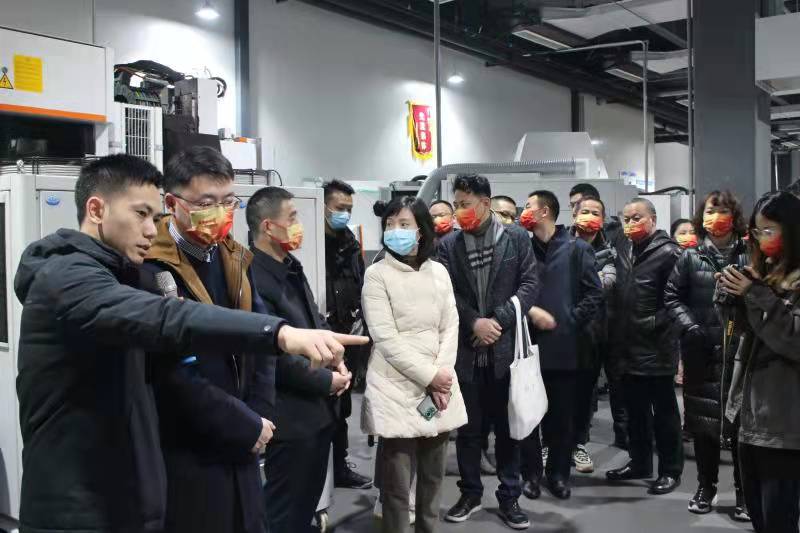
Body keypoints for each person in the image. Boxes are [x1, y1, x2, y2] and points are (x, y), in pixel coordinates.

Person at [13, 155, 365, 533]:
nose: (151, 230)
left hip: (126, 488)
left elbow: (245, 354)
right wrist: (280, 335)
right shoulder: (70, 278)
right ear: (97, 209)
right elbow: (170, 328)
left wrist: (256, 417)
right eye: (141, 214)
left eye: (154, 218)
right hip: (84, 502)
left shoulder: (216, 259)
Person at [138, 147, 274, 533]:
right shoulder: (151, 271)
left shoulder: (234, 258)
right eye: (206, 203)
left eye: (228, 201)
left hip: (245, 442)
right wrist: (241, 424)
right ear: (171, 204)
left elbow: (261, 336)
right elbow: (172, 374)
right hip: (190, 450)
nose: (220, 212)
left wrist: (259, 416)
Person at [246, 187, 351, 533]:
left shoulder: (290, 266)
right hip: (289, 417)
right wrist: (327, 380)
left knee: (304, 503)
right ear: (268, 226)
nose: (298, 225)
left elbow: (315, 322)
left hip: (317, 414)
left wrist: (337, 359)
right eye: (291, 218)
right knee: (284, 511)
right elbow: (273, 355)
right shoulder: (254, 277)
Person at [361, 196, 468, 533]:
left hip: (438, 388)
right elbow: (385, 338)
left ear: (421, 231)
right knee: (396, 485)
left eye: (404, 224)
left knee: (434, 478)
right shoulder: (377, 274)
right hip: (394, 386)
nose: (395, 230)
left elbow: (450, 325)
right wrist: (431, 376)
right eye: (390, 224)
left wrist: (442, 374)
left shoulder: (439, 272)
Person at [438, 174, 539, 530]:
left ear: (485, 202)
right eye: (456, 204)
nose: (458, 211)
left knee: (508, 428)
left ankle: (510, 496)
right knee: (468, 430)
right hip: (467, 350)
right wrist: (474, 323)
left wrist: (497, 321)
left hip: (504, 349)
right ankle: (470, 493)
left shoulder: (516, 238)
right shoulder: (449, 244)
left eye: (464, 204)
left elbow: (530, 284)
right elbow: (447, 292)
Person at [664, 191, 750, 519]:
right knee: (703, 426)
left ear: (734, 216)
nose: (716, 217)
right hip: (702, 351)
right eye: (711, 210)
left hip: (741, 353)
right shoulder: (690, 257)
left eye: (723, 210)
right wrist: (690, 327)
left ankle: (744, 492)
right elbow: (671, 296)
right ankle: (705, 487)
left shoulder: (749, 254)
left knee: (742, 426)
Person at [721, 191, 800, 533]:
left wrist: (755, 295)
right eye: (757, 231)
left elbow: (793, 339)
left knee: (778, 517)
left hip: (785, 422)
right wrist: (732, 299)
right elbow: (742, 334)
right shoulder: (764, 273)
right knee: (759, 515)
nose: (762, 238)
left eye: (770, 230)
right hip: (751, 415)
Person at [518, 191, 603, 500]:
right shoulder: (521, 249)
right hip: (527, 347)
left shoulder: (577, 249)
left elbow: (594, 294)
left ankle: (558, 475)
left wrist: (569, 321)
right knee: (528, 416)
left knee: (562, 418)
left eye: (528, 206)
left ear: (545, 211)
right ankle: (530, 475)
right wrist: (529, 313)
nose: (524, 211)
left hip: (566, 349)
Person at [605, 198, 684, 495]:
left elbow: (679, 299)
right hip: (626, 344)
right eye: (626, 218)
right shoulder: (625, 248)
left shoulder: (669, 252)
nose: (630, 223)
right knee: (635, 411)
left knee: (664, 413)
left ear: (653, 219)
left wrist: (655, 323)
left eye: (637, 217)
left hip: (656, 346)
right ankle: (640, 462)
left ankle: (670, 470)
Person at [323, 179, 373, 489]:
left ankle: (339, 467)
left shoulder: (350, 243)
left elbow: (360, 282)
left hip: (348, 335)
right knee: (320, 407)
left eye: (349, 209)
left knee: (341, 406)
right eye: (339, 208)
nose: (344, 214)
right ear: (323, 206)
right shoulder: (311, 243)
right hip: (318, 336)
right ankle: (319, 471)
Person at [569, 195, 622, 469]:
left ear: (602, 220)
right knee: (555, 392)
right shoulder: (559, 245)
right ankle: (549, 444)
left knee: (584, 394)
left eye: (595, 213)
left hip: (593, 334)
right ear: (574, 215)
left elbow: (606, 284)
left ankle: (578, 444)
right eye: (585, 211)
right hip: (561, 332)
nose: (589, 217)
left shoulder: (609, 252)